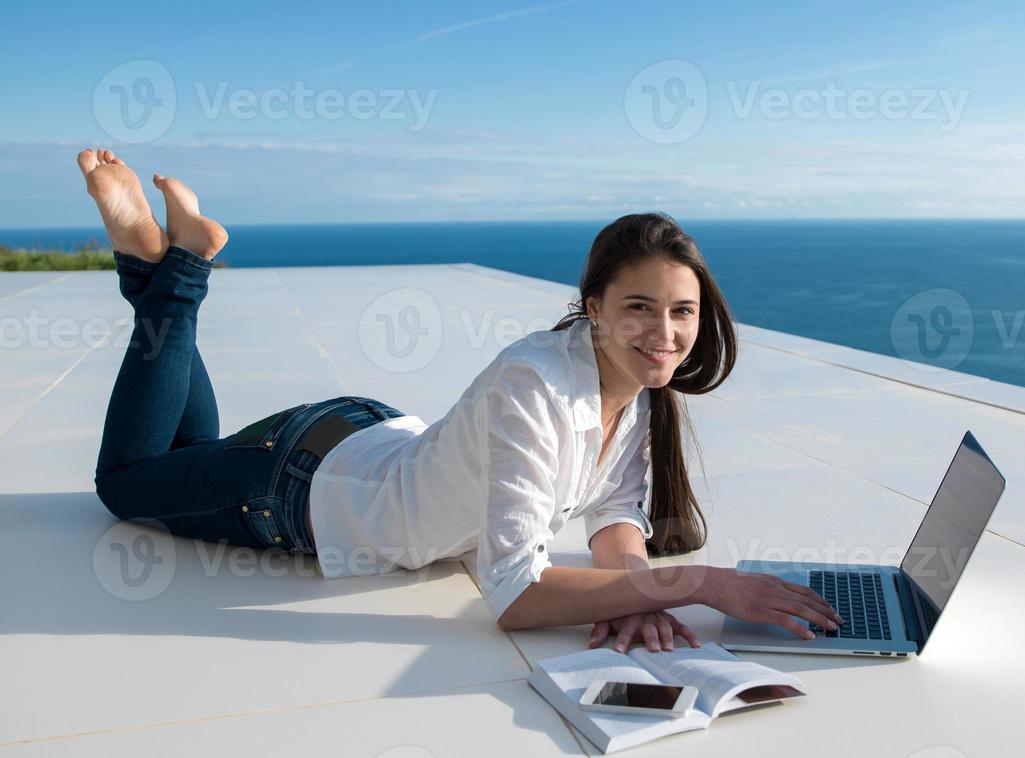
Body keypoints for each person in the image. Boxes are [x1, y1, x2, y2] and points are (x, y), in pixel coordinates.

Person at [78, 148, 843, 652]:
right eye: (640, 307)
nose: (666, 332)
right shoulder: (534, 380)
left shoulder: (633, 388)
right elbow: (514, 595)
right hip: (297, 486)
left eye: (681, 311)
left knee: (181, 456)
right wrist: (697, 583)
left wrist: (635, 591)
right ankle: (175, 268)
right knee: (127, 481)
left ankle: (157, 259)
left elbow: (615, 516)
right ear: (595, 307)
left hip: (353, 439)